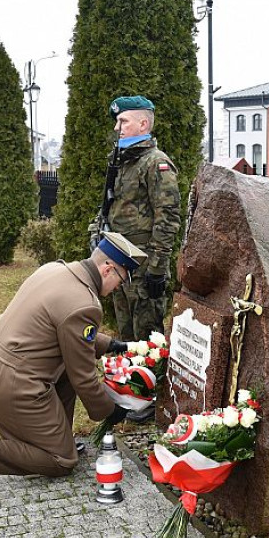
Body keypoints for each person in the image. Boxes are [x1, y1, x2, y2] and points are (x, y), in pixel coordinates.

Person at [0, 232, 147, 497]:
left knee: (65, 372)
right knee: (61, 461)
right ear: (107, 268)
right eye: (121, 280)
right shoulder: (84, 303)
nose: (118, 288)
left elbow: (66, 328)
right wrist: (111, 411)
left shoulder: (55, 270)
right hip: (13, 386)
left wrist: (112, 345)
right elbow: (84, 377)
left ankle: (59, 439)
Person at [91, 95, 181, 422]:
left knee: (147, 332)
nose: (117, 127)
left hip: (144, 267)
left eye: (123, 121)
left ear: (143, 124)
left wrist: (157, 268)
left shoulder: (156, 163)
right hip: (119, 264)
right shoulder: (121, 160)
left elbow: (168, 218)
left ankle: (150, 397)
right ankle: (131, 394)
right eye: (117, 122)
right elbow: (108, 207)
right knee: (126, 333)